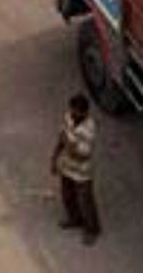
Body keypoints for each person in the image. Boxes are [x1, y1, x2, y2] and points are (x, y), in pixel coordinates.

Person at [52, 93, 100, 245]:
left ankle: (92, 230)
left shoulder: (89, 130)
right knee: (67, 196)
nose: (73, 115)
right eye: (72, 111)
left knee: (86, 201)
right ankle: (74, 219)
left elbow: (83, 156)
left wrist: (69, 145)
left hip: (82, 172)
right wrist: (54, 158)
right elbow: (61, 138)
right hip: (67, 166)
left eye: (77, 113)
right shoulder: (68, 117)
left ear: (85, 113)